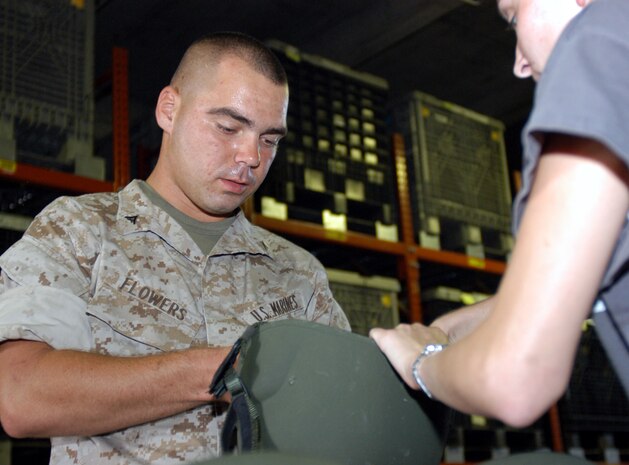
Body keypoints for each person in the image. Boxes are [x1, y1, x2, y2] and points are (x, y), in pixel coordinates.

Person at [0, 32, 350, 465]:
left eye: (270, 139)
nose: (251, 157)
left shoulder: (299, 274)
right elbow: (19, 396)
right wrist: (223, 372)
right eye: (228, 127)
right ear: (169, 109)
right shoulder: (80, 231)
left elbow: (344, 419)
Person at [372, 0, 629, 433]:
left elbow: (515, 378)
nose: (519, 65)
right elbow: (571, 285)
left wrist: (423, 364)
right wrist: (444, 330)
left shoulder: (593, 43)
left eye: (513, 18)